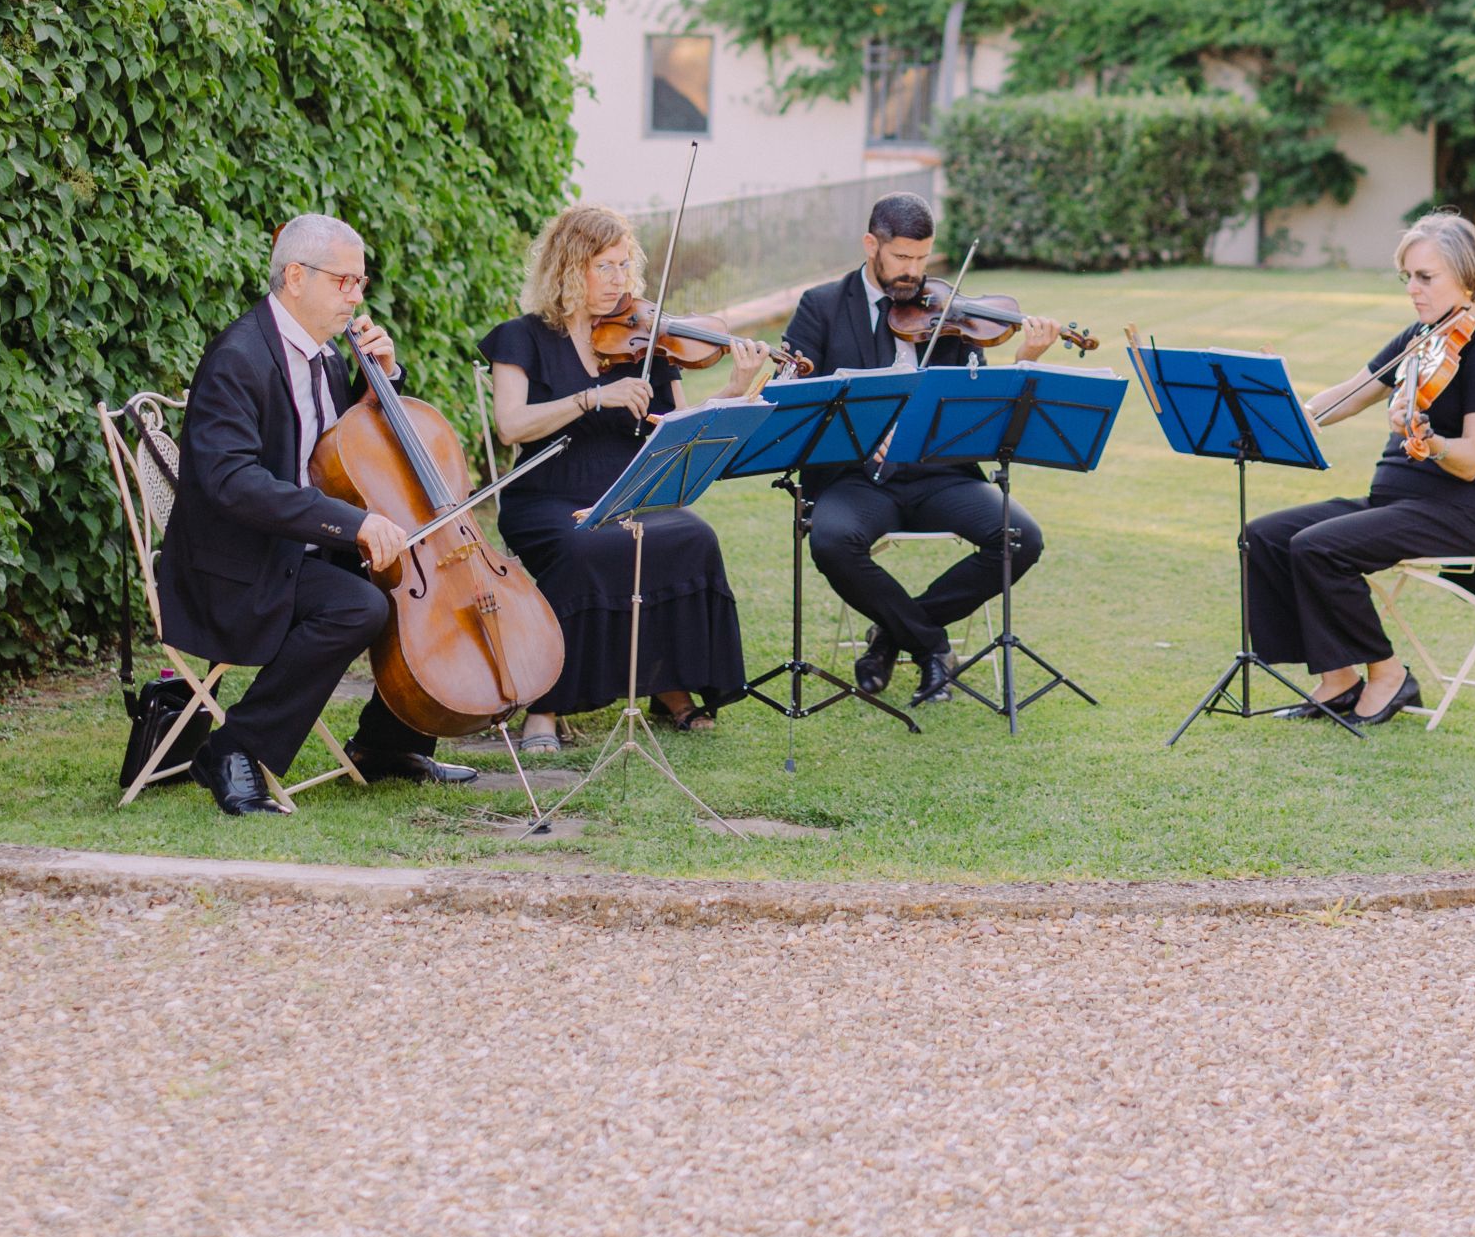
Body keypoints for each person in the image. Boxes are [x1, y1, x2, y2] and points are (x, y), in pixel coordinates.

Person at [158, 214, 480, 815]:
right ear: (297, 277)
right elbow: (233, 481)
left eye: (361, 281)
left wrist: (381, 381)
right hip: (235, 566)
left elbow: (339, 454)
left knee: (416, 583)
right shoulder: (237, 357)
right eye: (346, 281)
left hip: (296, 550)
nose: (358, 296)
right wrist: (351, 524)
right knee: (358, 604)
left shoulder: (326, 358)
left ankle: (389, 744)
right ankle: (234, 749)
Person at [479, 204, 766, 746]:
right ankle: (545, 706)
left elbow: (677, 423)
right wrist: (592, 397)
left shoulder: (647, 337)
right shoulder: (521, 338)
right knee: (584, 548)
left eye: (623, 265)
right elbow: (511, 425)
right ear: (568, 267)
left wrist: (733, 389)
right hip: (548, 492)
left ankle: (669, 683)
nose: (618, 280)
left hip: (631, 486)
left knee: (693, 537)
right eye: (603, 267)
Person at [1246, 210, 1475, 731]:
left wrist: (1427, 439)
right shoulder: (1424, 335)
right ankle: (1338, 679)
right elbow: (1350, 395)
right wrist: (1282, 410)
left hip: (1456, 511)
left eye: (1426, 277)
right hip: (1396, 504)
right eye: (1408, 278)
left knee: (1317, 547)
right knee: (1264, 535)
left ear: (1468, 276)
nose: (1413, 291)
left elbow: (1469, 461)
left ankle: (1388, 673)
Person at [782, 190, 1061, 706]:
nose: (914, 272)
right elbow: (794, 401)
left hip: (939, 473)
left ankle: (890, 638)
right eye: (902, 257)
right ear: (872, 245)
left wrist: (1025, 357)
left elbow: (981, 400)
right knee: (829, 541)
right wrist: (864, 434)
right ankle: (931, 644)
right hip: (857, 477)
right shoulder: (821, 307)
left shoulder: (950, 310)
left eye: (922, 258)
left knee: (1022, 537)